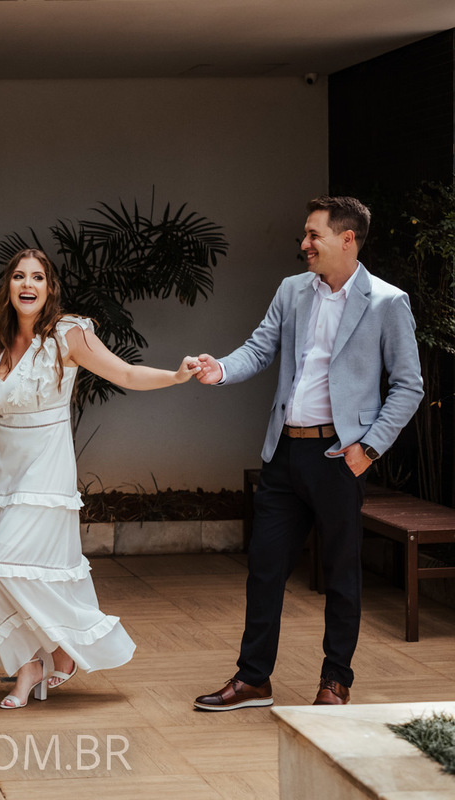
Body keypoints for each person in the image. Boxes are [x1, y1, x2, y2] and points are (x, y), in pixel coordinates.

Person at [0, 248, 200, 709]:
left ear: (49, 288)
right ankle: (28, 667)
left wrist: (175, 377)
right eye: (19, 276)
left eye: (38, 277)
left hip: (46, 471)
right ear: (8, 287)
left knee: (7, 566)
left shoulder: (68, 335)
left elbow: (126, 372)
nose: (28, 284)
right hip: (1, 474)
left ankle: (62, 649)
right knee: (0, 574)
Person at [192, 196, 423, 710]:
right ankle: (253, 679)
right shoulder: (292, 290)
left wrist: (369, 448)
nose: (304, 244)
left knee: (342, 572)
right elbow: (259, 348)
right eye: (305, 234)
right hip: (284, 453)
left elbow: (409, 386)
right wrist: (220, 369)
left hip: (340, 457)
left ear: (348, 239)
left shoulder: (387, 303)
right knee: (264, 569)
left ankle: (335, 680)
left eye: (314, 235)